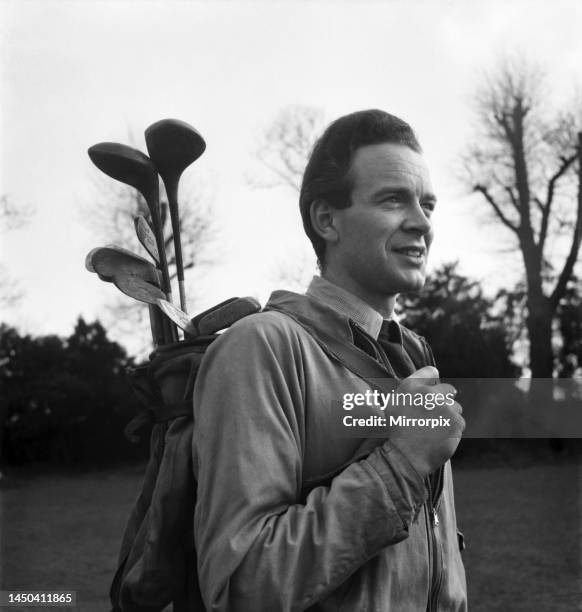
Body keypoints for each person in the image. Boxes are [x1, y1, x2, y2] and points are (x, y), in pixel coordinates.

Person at [192, 109, 467, 611]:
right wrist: (402, 463)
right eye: (392, 199)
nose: (422, 222)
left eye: (428, 204)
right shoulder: (262, 349)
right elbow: (243, 586)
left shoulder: (414, 356)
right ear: (327, 220)